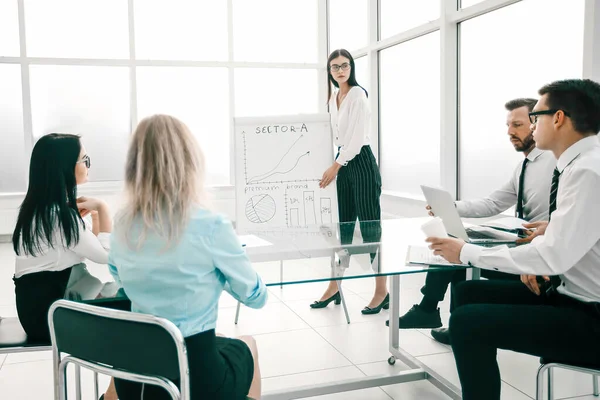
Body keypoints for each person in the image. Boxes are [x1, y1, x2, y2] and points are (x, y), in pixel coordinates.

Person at [427, 79, 600, 400]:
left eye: (535, 118)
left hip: (591, 317)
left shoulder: (587, 172)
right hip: (570, 293)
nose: (533, 127)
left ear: (558, 118)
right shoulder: (582, 165)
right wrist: (552, 228)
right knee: (468, 291)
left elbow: (552, 258)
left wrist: (466, 252)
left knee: (467, 322)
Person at [109, 115, 267, 400]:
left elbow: (119, 276)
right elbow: (255, 297)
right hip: (196, 377)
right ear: (189, 161)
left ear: (134, 167)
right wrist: (221, 278)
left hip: (135, 380)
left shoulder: (121, 223)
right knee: (248, 346)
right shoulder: (211, 225)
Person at [392, 98, 556, 344]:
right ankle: (439, 315)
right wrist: (452, 207)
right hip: (521, 242)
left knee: (462, 254)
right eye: (508, 125)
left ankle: (436, 314)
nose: (510, 132)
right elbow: (493, 203)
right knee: (457, 245)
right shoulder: (524, 166)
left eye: (517, 125)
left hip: (536, 255)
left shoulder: (555, 163)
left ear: (535, 124)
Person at [12, 133, 118, 400]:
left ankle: (114, 393)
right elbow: (107, 256)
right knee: (135, 311)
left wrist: (91, 220)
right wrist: (103, 209)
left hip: (38, 311)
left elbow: (91, 248)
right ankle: (116, 394)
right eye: (84, 160)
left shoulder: (36, 212)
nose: (87, 165)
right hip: (53, 315)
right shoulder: (60, 217)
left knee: (125, 302)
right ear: (65, 167)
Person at [312, 49, 387, 315]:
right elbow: (333, 134)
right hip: (343, 162)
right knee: (342, 228)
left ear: (351, 67)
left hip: (360, 162)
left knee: (370, 230)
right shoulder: (334, 97)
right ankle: (334, 285)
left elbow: (356, 139)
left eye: (345, 65)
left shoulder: (358, 94)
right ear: (329, 72)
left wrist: (335, 165)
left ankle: (381, 291)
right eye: (335, 67)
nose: (340, 70)